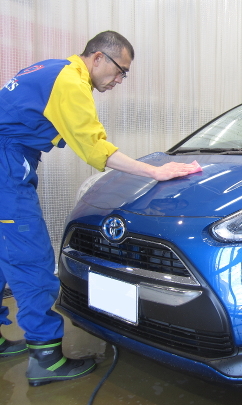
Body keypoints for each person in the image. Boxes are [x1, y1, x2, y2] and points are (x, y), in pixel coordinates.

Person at [0, 31, 198, 386]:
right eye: (120, 70)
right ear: (97, 59)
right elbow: (95, 148)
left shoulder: (53, 68)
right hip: (4, 165)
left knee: (3, 252)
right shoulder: (71, 81)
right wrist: (155, 171)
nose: (120, 80)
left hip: (10, 156)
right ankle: (45, 356)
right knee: (30, 258)